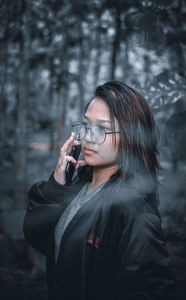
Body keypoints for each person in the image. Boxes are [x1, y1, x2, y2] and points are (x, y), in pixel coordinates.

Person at [23, 81, 176, 300]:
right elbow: (36, 234)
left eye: (102, 129)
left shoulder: (133, 207)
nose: (89, 137)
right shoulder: (78, 186)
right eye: (86, 125)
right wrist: (58, 181)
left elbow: (153, 289)